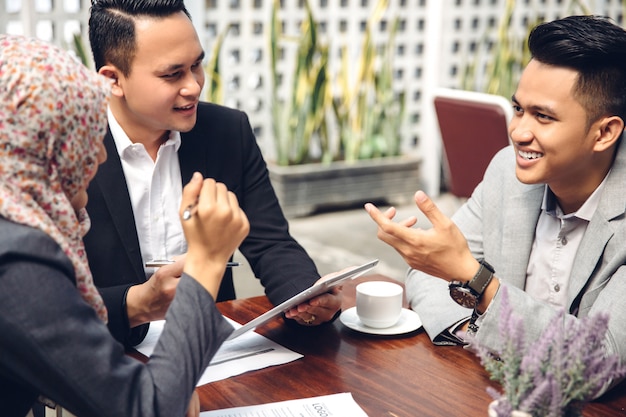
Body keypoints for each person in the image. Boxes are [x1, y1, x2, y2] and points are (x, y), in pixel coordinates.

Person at [365, 15, 626, 393]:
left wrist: (477, 282)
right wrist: (476, 331)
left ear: (604, 132)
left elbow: (601, 362)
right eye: (519, 109)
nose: (519, 132)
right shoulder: (507, 171)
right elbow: (430, 275)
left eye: (543, 116)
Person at [0, 34, 250, 417]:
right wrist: (207, 259)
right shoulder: (17, 263)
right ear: (39, 149)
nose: (99, 154)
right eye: (81, 138)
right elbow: (151, 409)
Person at [85, 0, 342, 346]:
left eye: (197, 65)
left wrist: (308, 299)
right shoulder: (70, 148)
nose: (193, 86)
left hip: (212, 347)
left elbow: (271, 243)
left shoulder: (226, 131)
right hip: (101, 353)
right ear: (113, 79)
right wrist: (138, 305)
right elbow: (42, 299)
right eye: (172, 74)